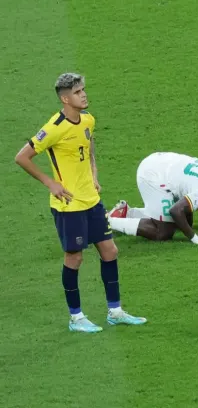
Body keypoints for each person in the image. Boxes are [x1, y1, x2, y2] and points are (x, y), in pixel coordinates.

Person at [13, 73, 147, 333]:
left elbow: (89, 142)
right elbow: (22, 157)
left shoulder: (88, 119)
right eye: (77, 92)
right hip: (69, 206)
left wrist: (94, 174)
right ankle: (76, 317)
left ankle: (115, 311)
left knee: (110, 252)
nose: (84, 95)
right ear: (65, 99)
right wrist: (50, 183)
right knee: (74, 259)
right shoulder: (53, 128)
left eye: (83, 90)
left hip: (91, 201)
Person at [107, 152, 198, 244]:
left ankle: (127, 213)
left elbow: (190, 194)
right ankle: (105, 222)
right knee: (163, 232)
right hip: (154, 174)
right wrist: (197, 239)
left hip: (166, 162)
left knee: (183, 223)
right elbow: (176, 210)